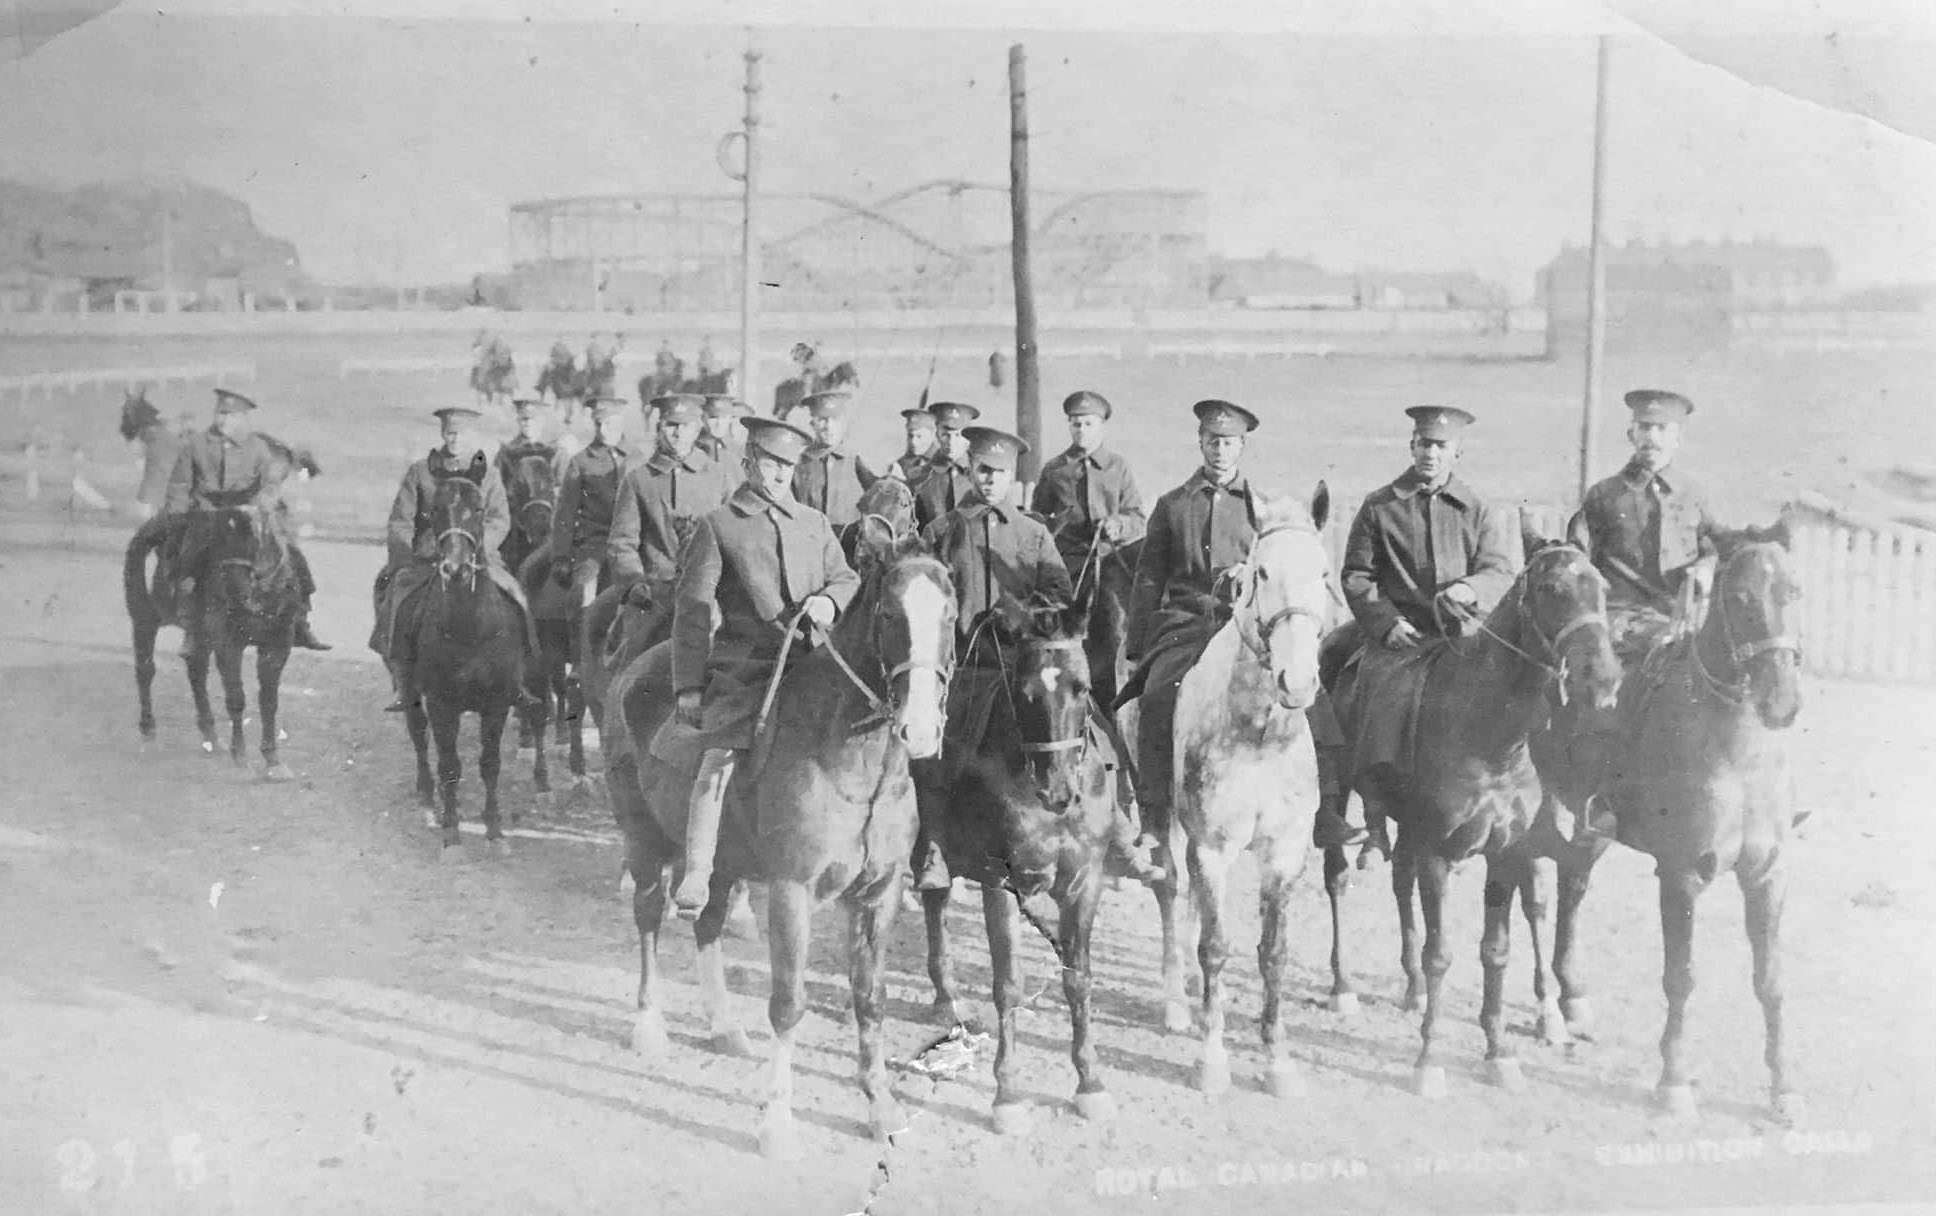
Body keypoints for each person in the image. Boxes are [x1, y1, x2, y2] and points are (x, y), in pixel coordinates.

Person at [1128, 399, 1365, 862]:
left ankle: (1326, 812)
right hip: (1188, 624)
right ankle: (1155, 818)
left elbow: (1280, 563)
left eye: (1229, 442)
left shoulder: (1263, 509)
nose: (1220, 450)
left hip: (1247, 627)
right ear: (1200, 443)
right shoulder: (1173, 505)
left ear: (1242, 447)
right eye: (1212, 441)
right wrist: (1140, 642)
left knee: (1313, 701)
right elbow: (1150, 577)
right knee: (1156, 695)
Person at [668, 417, 862, 916]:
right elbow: (692, 608)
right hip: (747, 666)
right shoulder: (720, 525)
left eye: (787, 465)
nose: (778, 474)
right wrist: (689, 684)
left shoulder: (813, 522)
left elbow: (846, 577)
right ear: (749, 459)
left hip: (814, 663)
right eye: (770, 462)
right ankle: (698, 869)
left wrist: (829, 602)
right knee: (720, 757)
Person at [1329, 405, 1519, 853]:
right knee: (1378, 691)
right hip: (1402, 637)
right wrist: (1385, 622)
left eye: (1441, 446)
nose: (1431, 454)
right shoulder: (1381, 506)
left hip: (1461, 635)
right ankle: (1376, 811)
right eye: (1424, 444)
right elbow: (1358, 574)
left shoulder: (1476, 508)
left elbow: (1500, 570)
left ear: (1457, 453)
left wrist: (1471, 590)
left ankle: (1493, 796)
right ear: (1411, 446)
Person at [911, 427, 1068, 890]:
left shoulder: (1033, 533)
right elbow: (921, 592)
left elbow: (1060, 596)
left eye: (999, 473)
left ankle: (1109, 825)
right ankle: (936, 847)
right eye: (982, 470)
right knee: (938, 747)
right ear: (970, 471)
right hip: (964, 666)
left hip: (1025, 668)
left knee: (1077, 720)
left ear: (1012, 476)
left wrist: (1023, 614)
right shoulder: (943, 531)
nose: (990, 481)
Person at [370, 406, 526, 709]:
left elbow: (499, 519)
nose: (455, 439)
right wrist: (411, 554)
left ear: (472, 435)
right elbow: (401, 519)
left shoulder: (488, 475)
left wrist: (480, 547)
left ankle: (518, 677)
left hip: (479, 557)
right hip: (428, 558)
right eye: (450, 432)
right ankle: (404, 682)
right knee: (399, 595)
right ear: (442, 433)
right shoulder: (421, 471)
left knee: (516, 596)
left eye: (461, 433)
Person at [164, 388, 329, 654]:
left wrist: (258, 507)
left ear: (242, 418)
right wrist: (180, 514)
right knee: (189, 562)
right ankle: (193, 630)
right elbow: (180, 484)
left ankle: (300, 619)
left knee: (291, 556)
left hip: (249, 515)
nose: (223, 420)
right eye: (220, 413)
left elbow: (271, 483)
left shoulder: (257, 446)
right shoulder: (196, 445)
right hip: (208, 515)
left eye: (230, 415)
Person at [1566, 389, 1725, 662]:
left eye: (1662, 429)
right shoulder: (1604, 495)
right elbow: (1575, 557)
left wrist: (1705, 569)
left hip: (1682, 617)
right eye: (1644, 428)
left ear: (1677, 439)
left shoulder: (1693, 494)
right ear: (1632, 435)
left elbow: (1716, 547)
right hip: (1620, 620)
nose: (1652, 437)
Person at [607, 394, 735, 619]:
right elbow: (622, 541)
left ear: (697, 429)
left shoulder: (717, 475)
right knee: (631, 649)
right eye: (671, 426)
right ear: (659, 428)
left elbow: (734, 539)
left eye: (686, 426)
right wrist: (633, 582)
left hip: (707, 591)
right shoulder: (639, 479)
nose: (678, 434)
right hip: (654, 592)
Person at [1029, 389, 1146, 591]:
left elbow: (1137, 518)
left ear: (1102, 427)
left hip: (1112, 557)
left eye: (1088, 424)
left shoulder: (1118, 467)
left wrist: (1118, 525)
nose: (1081, 430)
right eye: (1076, 424)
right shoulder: (1055, 469)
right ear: (1070, 427)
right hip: (1069, 561)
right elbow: (1038, 519)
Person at [549, 397, 639, 625]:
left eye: (610, 424)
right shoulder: (581, 462)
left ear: (621, 423)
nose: (603, 430)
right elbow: (565, 513)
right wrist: (561, 554)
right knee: (582, 595)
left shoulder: (638, 458)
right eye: (599, 424)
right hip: (595, 545)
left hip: (634, 545)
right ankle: (581, 655)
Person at [791, 390, 881, 527]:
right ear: (812, 423)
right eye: (822, 419)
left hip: (847, 543)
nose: (829, 426)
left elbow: (881, 495)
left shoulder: (855, 460)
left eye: (835, 419)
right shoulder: (798, 464)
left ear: (843, 423)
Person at [911, 401, 980, 531]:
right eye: (945, 435)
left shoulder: (982, 476)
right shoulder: (919, 476)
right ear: (936, 433)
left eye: (958, 435)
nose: (951, 442)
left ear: (968, 438)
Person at [888, 406, 938, 490]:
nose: (913, 442)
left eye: (919, 436)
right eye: (910, 436)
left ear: (932, 435)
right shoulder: (901, 464)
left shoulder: (941, 462)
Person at [697, 393, 751, 465]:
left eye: (723, 418)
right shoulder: (695, 446)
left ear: (730, 419)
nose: (719, 423)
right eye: (713, 418)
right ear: (703, 418)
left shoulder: (739, 448)